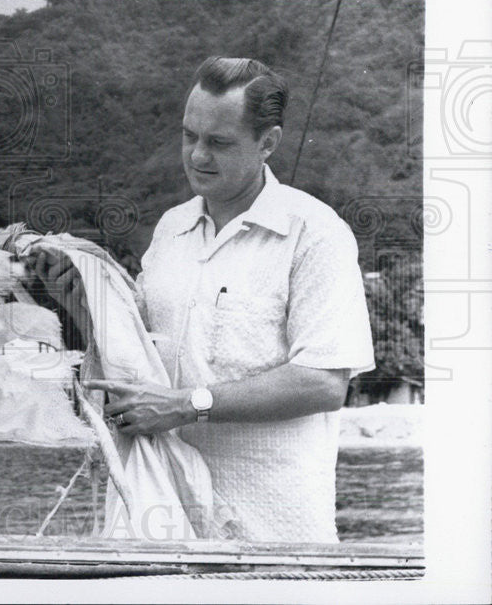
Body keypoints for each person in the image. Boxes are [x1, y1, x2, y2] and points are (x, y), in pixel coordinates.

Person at [83, 56, 376, 542]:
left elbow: (324, 382)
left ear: (269, 143)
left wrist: (187, 405)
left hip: (272, 534)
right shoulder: (170, 228)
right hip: (158, 520)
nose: (197, 155)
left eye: (218, 142)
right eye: (188, 135)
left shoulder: (317, 234)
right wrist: (78, 295)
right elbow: (135, 355)